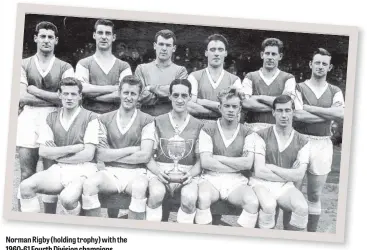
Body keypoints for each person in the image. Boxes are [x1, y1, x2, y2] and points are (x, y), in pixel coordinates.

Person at [18, 77, 99, 215]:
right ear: (59, 95)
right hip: (60, 168)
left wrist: (57, 153)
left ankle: (73, 228)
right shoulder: (51, 117)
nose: (69, 98)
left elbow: (88, 154)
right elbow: (43, 151)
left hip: (85, 170)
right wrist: (72, 149)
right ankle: (32, 229)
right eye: (65, 94)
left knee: (67, 199)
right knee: (25, 186)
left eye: (73, 94)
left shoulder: (90, 117)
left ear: (80, 96)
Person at [17, 21, 74, 213]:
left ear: (56, 41)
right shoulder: (23, 64)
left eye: (50, 37)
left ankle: (49, 217)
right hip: (28, 121)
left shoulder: (65, 66)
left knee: (51, 173)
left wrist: (34, 91)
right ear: (35, 38)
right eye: (43, 36)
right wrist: (54, 97)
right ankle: (23, 218)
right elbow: (21, 96)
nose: (46, 40)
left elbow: (67, 98)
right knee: (26, 171)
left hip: (54, 120)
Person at [81, 75, 155, 220]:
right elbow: (101, 155)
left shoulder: (147, 120)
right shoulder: (104, 118)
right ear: (119, 93)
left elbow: (145, 156)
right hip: (110, 172)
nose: (129, 97)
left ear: (139, 96)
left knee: (140, 188)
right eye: (126, 92)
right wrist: (132, 149)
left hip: (137, 172)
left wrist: (112, 153)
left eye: (133, 94)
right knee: (89, 185)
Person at [293, 48, 344, 232]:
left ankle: (312, 237)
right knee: (294, 192)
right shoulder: (298, 87)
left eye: (324, 64)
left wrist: (309, 107)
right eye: (317, 62)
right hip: (299, 141)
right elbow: (298, 116)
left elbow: (340, 113)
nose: (320, 66)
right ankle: (290, 235)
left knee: (314, 194)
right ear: (310, 64)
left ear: (329, 67)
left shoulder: (335, 90)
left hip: (322, 143)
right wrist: (328, 116)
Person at [194, 87, 259, 227]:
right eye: (227, 106)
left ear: (240, 109)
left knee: (252, 202)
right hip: (211, 178)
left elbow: (247, 164)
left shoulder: (248, 131)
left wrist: (218, 158)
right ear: (220, 107)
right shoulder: (208, 128)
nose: (231, 110)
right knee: (203, 198)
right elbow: (205, 162)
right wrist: (236, 164)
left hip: (236, 180)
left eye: (234, 106)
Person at [145, 79, 203, 223]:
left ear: (190, 97)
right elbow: (148, 156)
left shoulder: (199, 125)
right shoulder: (157, 121)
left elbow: (201, 161)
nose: (180, 100)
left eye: (184, 95)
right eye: (175, 95)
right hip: (160, 169)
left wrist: (191, 174)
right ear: (169, 96)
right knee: (156, 194)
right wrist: (158, 172)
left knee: (189, 199)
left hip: (187, 172)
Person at [249, 95, 310, 230]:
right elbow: (259, 171)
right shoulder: (260, 135)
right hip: (261, 183)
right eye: (280, 110)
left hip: (285, 186)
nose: (284, 115)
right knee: (269, 205)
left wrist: (271, 167)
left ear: (293, 112)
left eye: (287, 110)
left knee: (302, 208)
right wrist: (289, 173)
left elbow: (299, 175)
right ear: (273, 112)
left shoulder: (303, 141)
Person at [75, 19, 132, 114]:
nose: (104, 37)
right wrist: (113, 88)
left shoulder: (123, 66)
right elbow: (81, 89)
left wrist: (93, 96)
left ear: (113, 37)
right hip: (89, 117)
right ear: (94, 35)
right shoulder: (84, 63)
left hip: (115, 118)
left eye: (108, 33)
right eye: (100, 33)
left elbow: (126, 93)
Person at [241, 38, 296, 131]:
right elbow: (245, 103)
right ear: (262, 55)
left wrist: (258, 97)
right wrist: (277, 107)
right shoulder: (250, 76)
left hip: (278, 129)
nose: (270, 57)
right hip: (253, 129)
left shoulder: (288, 78)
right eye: (267, 53)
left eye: (274, 54)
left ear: (280, 56)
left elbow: (286, 103)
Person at [187, 34, 243, 120]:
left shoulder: (235, 80)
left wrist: (201, 101)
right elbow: (189, 107)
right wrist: (222, 112)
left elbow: (236, 113)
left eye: (220, 50)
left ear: (225, 53)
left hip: (224, 131)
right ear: (206, 53)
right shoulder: (194, 77)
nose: (216, 53)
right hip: (199, 130)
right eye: (212, 50)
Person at [135, 29, 188, 116]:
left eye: (168, 45)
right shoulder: (141, 69)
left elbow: (178, 94)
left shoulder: (181, 71)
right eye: (161, 44)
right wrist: (167, 96)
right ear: (155, 46)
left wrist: (151, 88)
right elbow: (140, 95)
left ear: (173, 48)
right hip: (146, 120)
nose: (164, 48)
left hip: (171, 122)